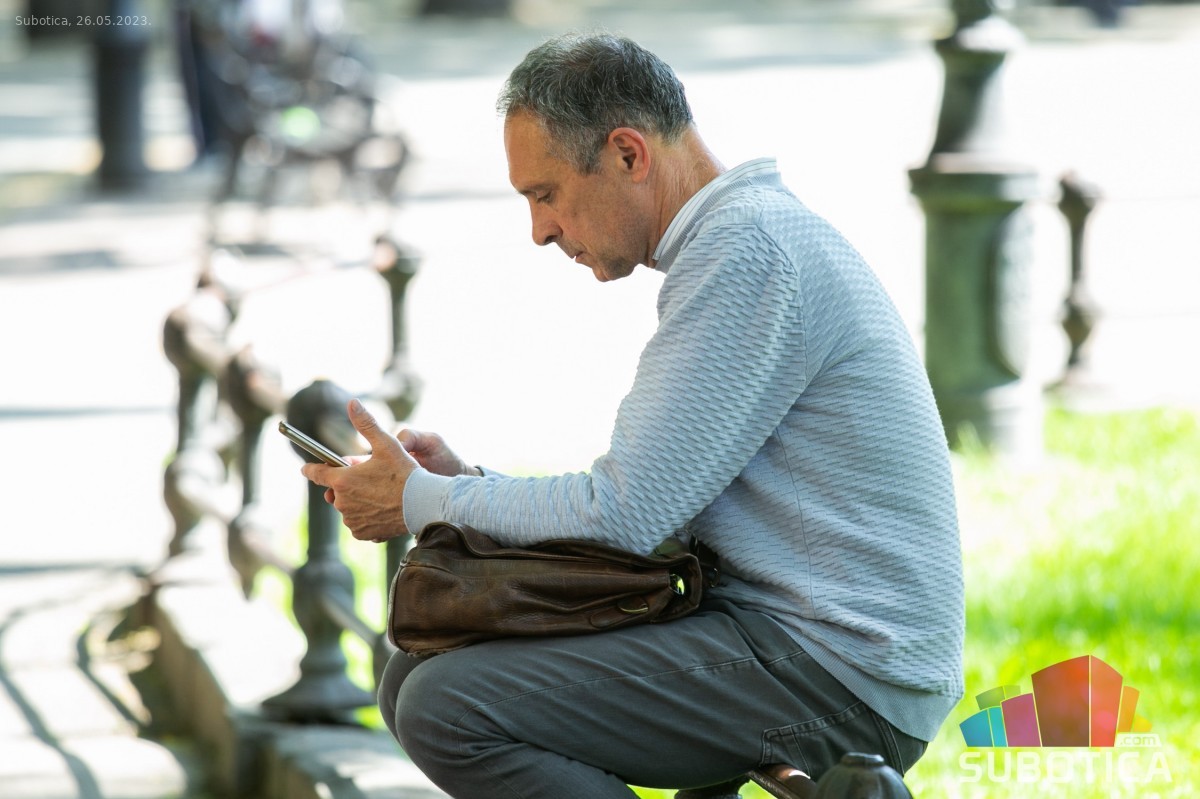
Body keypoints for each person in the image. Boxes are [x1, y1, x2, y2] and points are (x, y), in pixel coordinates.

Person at [301, 32, 964, 798]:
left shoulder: (749, 254)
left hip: (847, 672)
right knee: (414, 672)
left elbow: (624, 513)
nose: (540, 230)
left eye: (545, 193)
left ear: (627, 153)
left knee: (446, 706)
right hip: (789, 635)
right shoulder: (744, 239)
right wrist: (466, 483)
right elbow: (644, 500)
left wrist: (423, 498)